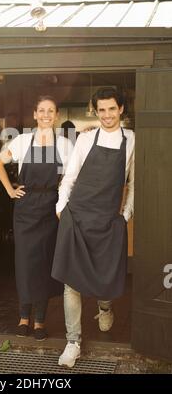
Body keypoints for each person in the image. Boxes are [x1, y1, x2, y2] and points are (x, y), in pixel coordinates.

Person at [52, 87, 135, 367]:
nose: (107, 115)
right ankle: (73, 341)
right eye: (102, 110)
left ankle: (104, 306)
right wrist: (61, 207)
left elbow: (133, 183)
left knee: (105, 276)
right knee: (70, 283)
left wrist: (125, 214)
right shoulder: (86, 140)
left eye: (112, 109)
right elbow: (70, 177)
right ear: (96, 111)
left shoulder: (132, 140)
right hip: (76, 217)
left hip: (107, 220)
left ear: (121, 109)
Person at [0, 95, 73, 341]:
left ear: (56, 115)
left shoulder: (64, 145)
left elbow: (72, 178)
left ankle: (39, 321)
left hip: (51, 207)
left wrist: (64, 203)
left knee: (45, 263)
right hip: (25, 207)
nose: (46, 114)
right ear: (35, 115)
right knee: (25, 262)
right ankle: (23, 318)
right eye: (42, 110)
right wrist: (9, 189)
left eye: (51, 110)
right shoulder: (22, 141)